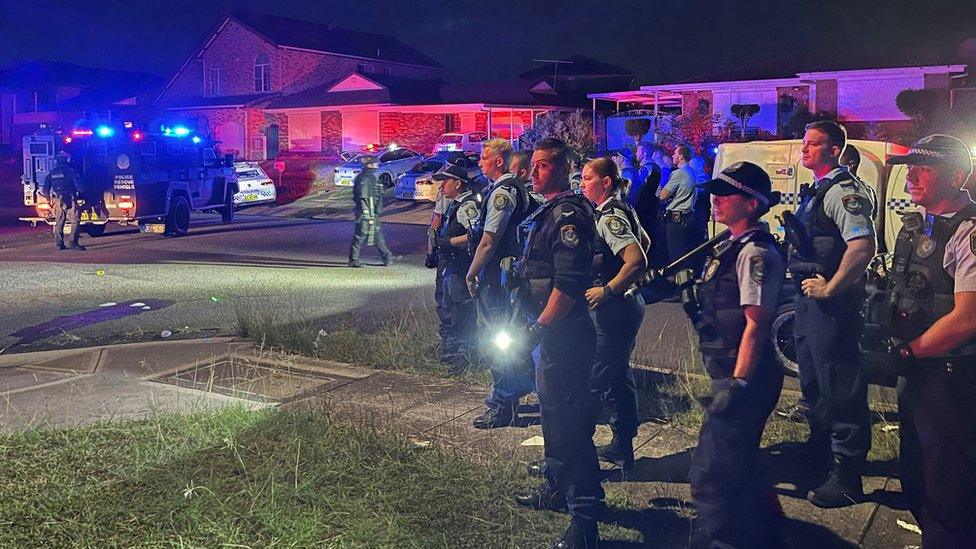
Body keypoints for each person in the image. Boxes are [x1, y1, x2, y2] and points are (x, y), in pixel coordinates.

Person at [877, 134, 976, 546]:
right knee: (917, 470)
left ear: (956, 176)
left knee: (949, 481)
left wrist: (908, 351)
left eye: (923, 168)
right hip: (919, 370)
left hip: (951, 376)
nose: (911, 176)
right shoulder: (919, 226)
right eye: (909, 168)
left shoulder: (968, 232)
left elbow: (967, 319)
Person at [686, 161, 786, 548]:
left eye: (725, 195)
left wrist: (737, 383)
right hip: (730, 372)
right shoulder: (731, 246)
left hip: (744, 379)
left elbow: (756, 324)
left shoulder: (755, 254)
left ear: (750, 204)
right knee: (739, 464)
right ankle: (768, 534)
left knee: (712, 473)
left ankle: (721, 540)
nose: (715, 201)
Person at [512, 137, 602, 548]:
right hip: (548, 332)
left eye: (544, 165)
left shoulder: (568, 215)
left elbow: (567, 284)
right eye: (533, 165)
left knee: (569, 425)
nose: (534, 172)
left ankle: (585, 521)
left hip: (563, 334)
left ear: (565, 168)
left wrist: (540, 326)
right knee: (551, 416)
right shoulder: (548, 211)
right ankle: (555, 488)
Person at [792, 120, 876, 508]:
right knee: (814, 381)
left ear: (834, 149)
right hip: (810, 304)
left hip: (833, 306)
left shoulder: (844, 192)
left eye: (814, 144)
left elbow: (862, 246)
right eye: (804, 142)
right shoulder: (818, 190)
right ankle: (821, 454)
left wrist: (830, 287)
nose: (805, 149)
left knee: (840, 384)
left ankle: (847, 474)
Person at [580, 157, 649, 470]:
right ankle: (623, 445)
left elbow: (636, 259)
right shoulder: (622, 208)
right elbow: (644, 242)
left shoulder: (608, 217)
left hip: (614, 309)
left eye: (587, 178)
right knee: (618, 376)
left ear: (605, 182)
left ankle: (575, 450)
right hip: (627, 305)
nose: (581, 184)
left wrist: (607, 289)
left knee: (593, 380)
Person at [466, 138, 536, 429]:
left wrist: (471, 273)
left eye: (484, 157)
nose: (480, 162)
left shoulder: (502, 193)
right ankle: (513, 393)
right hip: (506, 277)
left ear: (498, 161)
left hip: (498, 279)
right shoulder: (506, 189)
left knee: (498, 340)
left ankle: (503, 404)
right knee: (507, 338)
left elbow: (489, 241)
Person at [432, 164, 482, 368]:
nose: (442, 186)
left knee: (462, 311)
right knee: (449, 307)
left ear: (458, 183)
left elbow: (475, 235)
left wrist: (450, 242)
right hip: (451, 265)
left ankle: (463, 357)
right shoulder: (454, 204)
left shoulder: (467, 206)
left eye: (446, 181)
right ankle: (453, 352)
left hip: (462, 268)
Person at [348, 155, 396, 267]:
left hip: (372, 212)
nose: (377, 166)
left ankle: (387, 258)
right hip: (365, 214)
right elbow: (363, 197)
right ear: (369, 165)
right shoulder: (364, 179)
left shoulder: (370, 178)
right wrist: (367, 214)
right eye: (375, 164)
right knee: (360, 235)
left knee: (377, 235)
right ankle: (353, 260)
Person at [658, 144, 700, 264]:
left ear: (681, 156)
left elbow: (663, 195)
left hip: (677, 220)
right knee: (687, 256)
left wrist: (661, 187)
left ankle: (679, 281)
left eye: (675, 153)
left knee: (677, 257)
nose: (673, 155)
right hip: (688, 217)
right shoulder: (691, 171)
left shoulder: (679, 173)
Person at [40, 152, 86, 251]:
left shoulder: (52, 173)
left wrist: (49, 199)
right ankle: (73, 243)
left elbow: (44, 190)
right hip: (70, 199)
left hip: (58, 200)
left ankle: (58, 244)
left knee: (59, 221)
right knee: (75, 221)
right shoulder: (71, 171)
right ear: (66, 160)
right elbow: (80, 187)